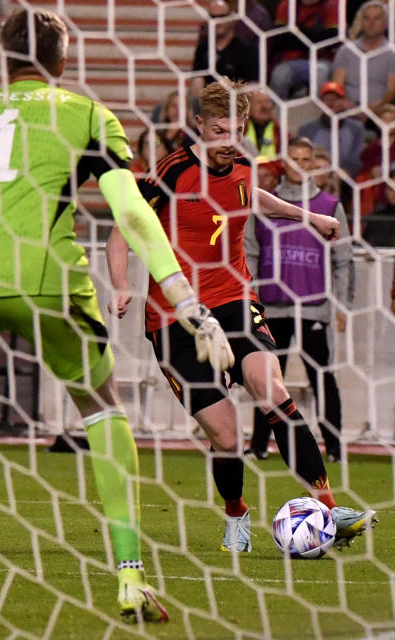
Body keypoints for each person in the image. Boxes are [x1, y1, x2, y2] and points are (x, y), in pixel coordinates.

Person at [0, 8, 240, 624]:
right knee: (102, 408)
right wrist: (188, 300)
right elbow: (134, 215)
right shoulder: (87, 114)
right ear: (64, 61)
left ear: (2, 54)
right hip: (48, 279)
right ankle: (128, 578)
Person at [106, 79, 374, 557]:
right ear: (200, 125)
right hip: (174, 318)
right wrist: (123, 284)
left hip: (234, 299)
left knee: (272, 391)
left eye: (236, 129)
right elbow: (121, 232)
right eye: (219, 129)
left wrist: (309, 217)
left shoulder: (245, 168)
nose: (228, 138)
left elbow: (257, 198)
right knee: (227, 437)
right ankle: (236, 513)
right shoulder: (170, 172)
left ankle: (330, 510)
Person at [244, 137, 352, 463]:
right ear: (283, 161)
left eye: (306, 159)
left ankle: (334, 448)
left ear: (312, 164)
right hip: (271, 305)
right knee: (266, 379)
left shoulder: (331, 206)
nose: (299, 165)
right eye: (293, 158)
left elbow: (343, 259)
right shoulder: (266, 202)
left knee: (322, 377)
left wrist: (342, 305)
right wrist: (250, 297)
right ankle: (260, 446)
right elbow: (249, 252)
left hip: (313, 307)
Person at [331, 1, 395, 115]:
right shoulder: (346, 50)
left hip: (379, 111)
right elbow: (337, 86)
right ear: (361, 21)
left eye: (377, 18)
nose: (371, 23)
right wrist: (349, 107)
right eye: (367, 18)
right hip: (347, 110)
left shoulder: (392, 53)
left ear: (385, 24)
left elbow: (391, 90)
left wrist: (370, 110)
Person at [268, 0, 338, 100]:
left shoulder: (332, 5)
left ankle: (319, 113)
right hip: (291, 60)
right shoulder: (286, 4)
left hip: (323, 60)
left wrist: (295, 33)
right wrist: (315, 36)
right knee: (280, 74)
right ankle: (275, 112)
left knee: (319, 73)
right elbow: (280, 38)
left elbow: (331, 39)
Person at [298, 81, 366, 179]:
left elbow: (357, 155)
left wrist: (345, 171)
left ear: (344, 101)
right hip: (313, 177)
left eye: (336, 99)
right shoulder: (307, 128)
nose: (331, 102)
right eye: (327, 99)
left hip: (347, 180)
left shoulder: (356, 128)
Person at [190, 0, 258, 95]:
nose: (218, 21)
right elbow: (197, 79)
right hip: (208, 102)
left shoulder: (246, 49)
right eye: (213, 17)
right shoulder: (203, 48)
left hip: (237, 101)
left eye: (222, 17)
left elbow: (253, 83)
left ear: (231, 18)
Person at [244, 89, 280, 158]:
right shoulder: (239, 129)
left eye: (267, 102)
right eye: (259, 102)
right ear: (248, 106)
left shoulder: (280, 131)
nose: (264, 106)